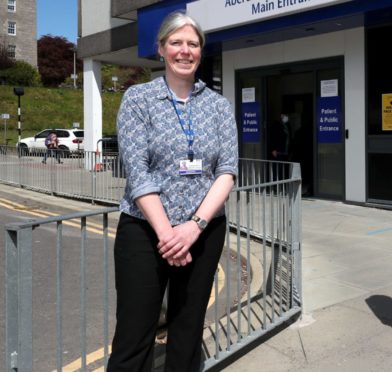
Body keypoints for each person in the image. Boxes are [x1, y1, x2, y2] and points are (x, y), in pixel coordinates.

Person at [107, 11, 238, 371]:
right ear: (161, 48)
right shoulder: (138, 100)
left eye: (192, 44)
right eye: (176, 43)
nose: (185, 51)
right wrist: (169, 234)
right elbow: (137, 172)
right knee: (134, 334)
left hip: (204, 230)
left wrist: (193, 226)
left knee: (188, 327)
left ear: (201, 51)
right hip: (146, 232)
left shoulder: (218, 106)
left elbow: (226, 171)